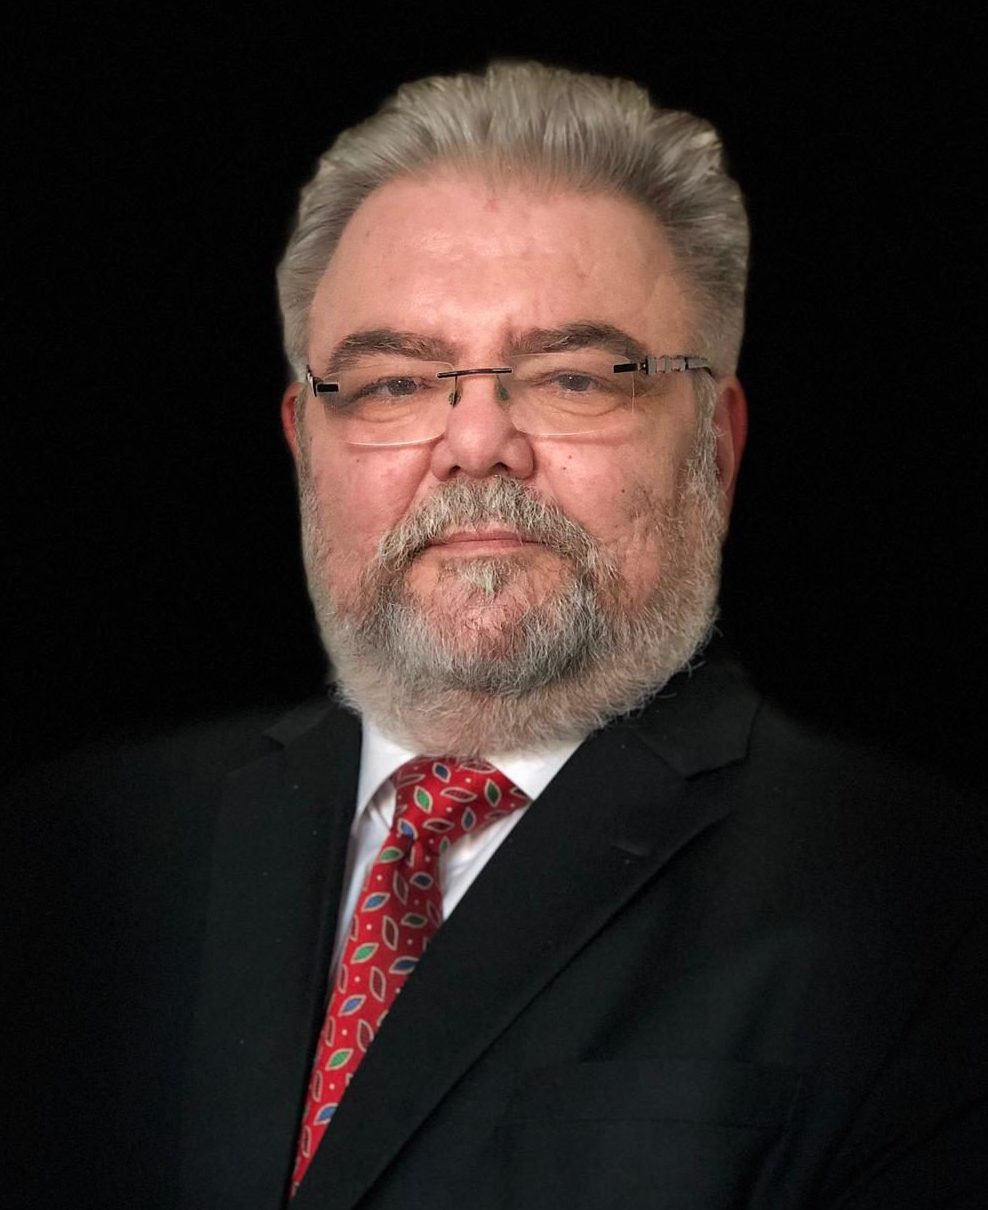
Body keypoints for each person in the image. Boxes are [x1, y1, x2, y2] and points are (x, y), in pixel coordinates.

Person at [7, 60, 985, 1209]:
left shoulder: (919, 903)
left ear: (714, 445)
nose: (476, 443)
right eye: (392, 385)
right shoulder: (71, 853)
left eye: (573, 378)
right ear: (304, 446)